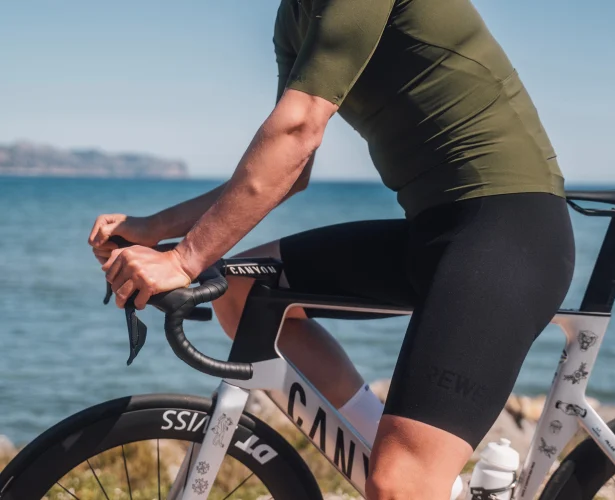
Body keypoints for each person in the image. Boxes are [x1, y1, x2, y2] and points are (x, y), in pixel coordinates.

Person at [88, 0, 575, 498]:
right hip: (433, 232)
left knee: (399, 484)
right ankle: (430, 484)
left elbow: (299, 128)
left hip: (511, 229)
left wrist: (183, 259)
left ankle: (409, 482)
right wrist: (155, 229)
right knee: (242, 291)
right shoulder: (294, 17)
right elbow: (289, 170)